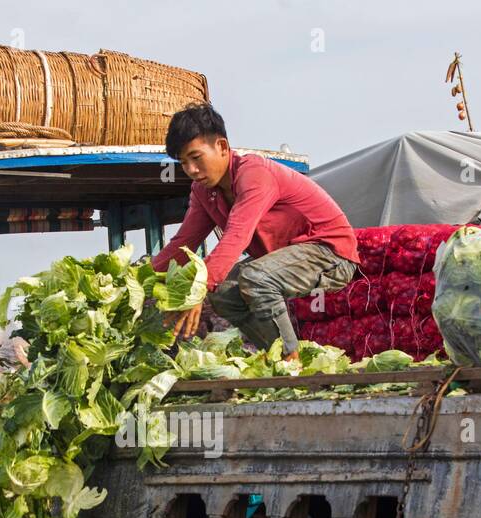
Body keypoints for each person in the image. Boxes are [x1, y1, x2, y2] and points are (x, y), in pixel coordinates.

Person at [152, 103, 360, 361]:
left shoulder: (255, 174)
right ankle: (277, 355)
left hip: (329, 253)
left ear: (222, 147)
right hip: (283, 258)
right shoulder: (203, 191)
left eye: (196, 157)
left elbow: (236, 236)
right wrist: (142, 279)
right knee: (225, 292)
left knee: (254, 277)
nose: (191, 170)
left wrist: (199, 288)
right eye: (183, 163)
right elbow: (183, 242)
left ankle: (290, 361)